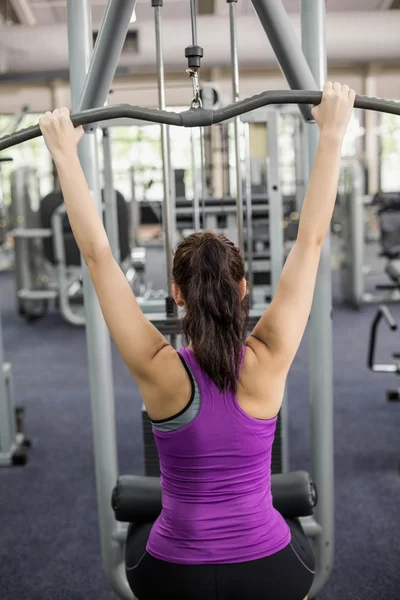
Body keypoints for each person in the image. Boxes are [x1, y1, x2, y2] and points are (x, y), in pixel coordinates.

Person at [39, 81, 355, 600]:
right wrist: (333, 132)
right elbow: (311, 239)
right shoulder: (268, 357)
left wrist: (63, 155)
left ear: (176, 294)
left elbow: (97, 254)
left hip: (172, 575)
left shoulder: (158, 367)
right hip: (268, 572)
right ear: (243, 289)